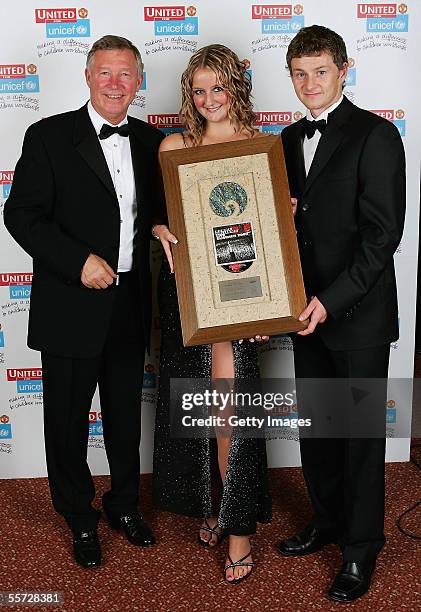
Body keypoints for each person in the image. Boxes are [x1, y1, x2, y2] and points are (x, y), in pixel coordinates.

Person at [4, 35, 165, 568]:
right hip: (71, 303)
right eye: (105, 73)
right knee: (67, 421)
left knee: (124, 416)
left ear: (139, 81)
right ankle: (79, 516)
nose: (116, 83)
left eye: (126, 74)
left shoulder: (152, 141)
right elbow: (21, 215)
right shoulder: (48, 136)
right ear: (88, 77)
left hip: (130, 302)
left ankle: (123, 506)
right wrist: (78, 262)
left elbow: (164, 214)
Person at [277, 25, 405, 602]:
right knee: (318, 430)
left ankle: (360, 547)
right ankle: (327, 521)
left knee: (356, 436)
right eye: (299, 74)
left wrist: (330, 301)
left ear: (343, 69)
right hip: (303, 312)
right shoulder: (283, 139)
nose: (309, 83)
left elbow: (382, 238)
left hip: (354, 314)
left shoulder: (376, 135)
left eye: (320, 72)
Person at [152, 44, 272, 584]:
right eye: (198, 90)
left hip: (245, 292)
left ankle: (240, 528)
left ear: (235, 86)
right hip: (189, 293)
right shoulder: (175, 145)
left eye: (217, 87)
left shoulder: (261, 145)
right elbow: (160, 215)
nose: (208, 99)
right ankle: (211, 504)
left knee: (232, 410)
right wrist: (158, 229)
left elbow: (276, 227)